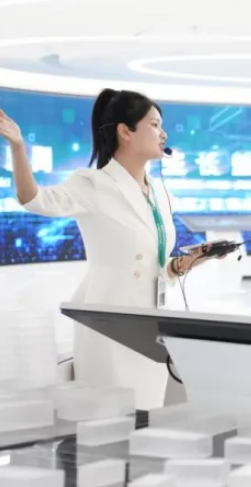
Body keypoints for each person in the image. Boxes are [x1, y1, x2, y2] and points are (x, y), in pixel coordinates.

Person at [0, 89, 214, 409]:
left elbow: (154, 263)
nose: (164, 133)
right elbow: (34, 199)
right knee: (113, 419)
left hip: (150, 325)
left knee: (147, 416)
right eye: (154, 124)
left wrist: (184, 263)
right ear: (125, 132)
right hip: (109, 325)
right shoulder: (92, 184)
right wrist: (18, 147)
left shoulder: (159, 192)